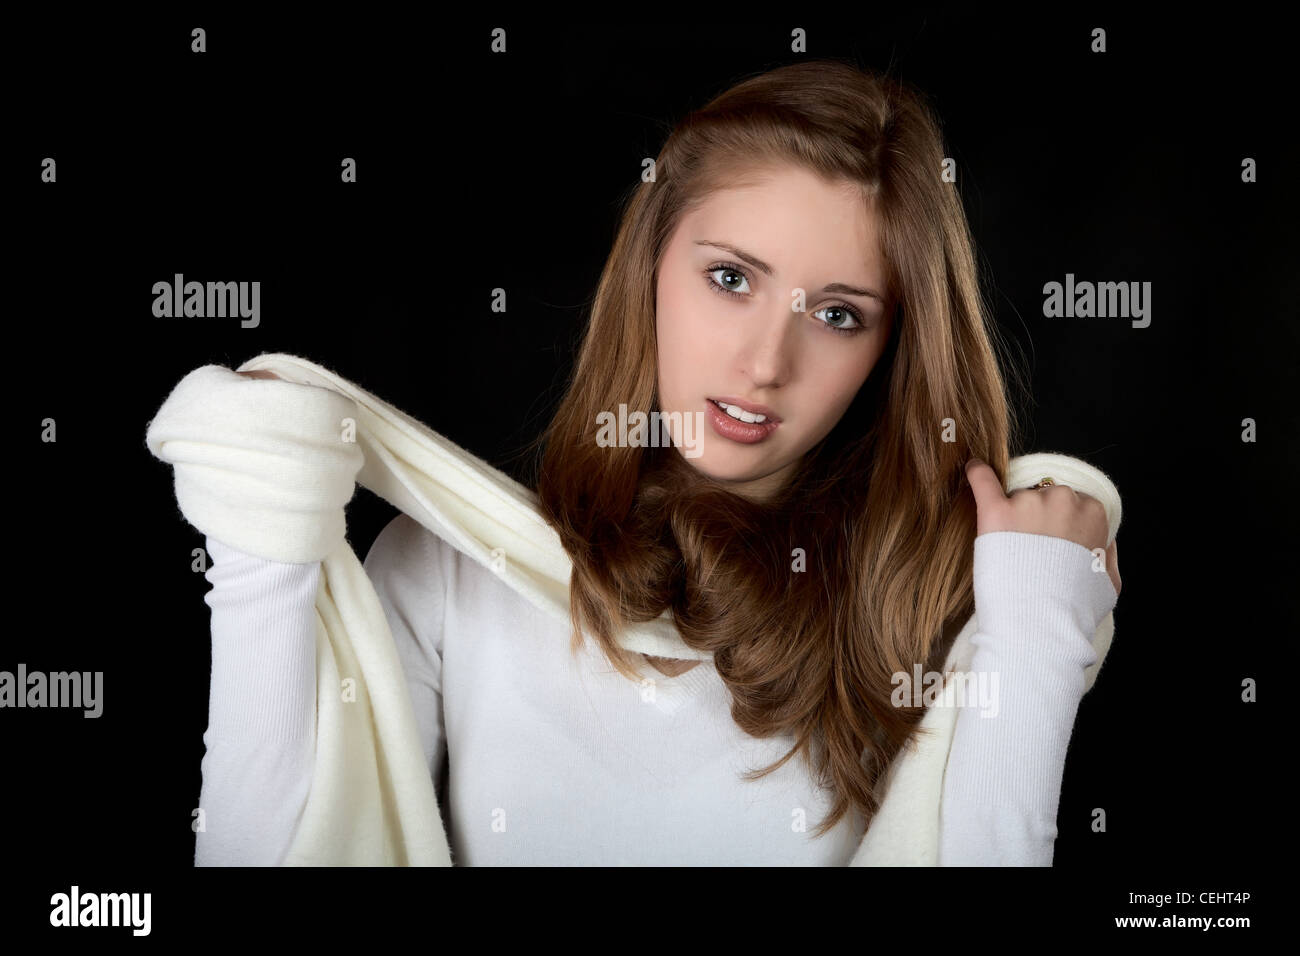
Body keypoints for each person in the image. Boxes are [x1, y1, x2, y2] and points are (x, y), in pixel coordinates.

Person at [194, 59, 1121, 866]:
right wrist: (258, 523)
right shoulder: (446, 574)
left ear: (892, 351)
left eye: (837, 314)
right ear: (649, 266)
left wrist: (1038, 634)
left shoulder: (941, 608)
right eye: (730, 278)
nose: (765, 364)